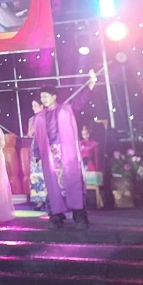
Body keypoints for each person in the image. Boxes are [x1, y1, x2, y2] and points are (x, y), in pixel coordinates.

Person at [33, 69, 98, 229]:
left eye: (46, 96)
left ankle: (79, 216)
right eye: (42, 97)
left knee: (73, 183)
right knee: (53, 186)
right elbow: (37, 137)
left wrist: (91, 83)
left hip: (66, 154)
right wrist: (36, 153)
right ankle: (56, 216)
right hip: (50, 155)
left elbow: (80, 100)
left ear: (54, 96)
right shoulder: (40, 117)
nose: (44, 99)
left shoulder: (66, 109)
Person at [26, 100, 48, 211]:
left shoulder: (48, 117)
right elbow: (29, 133)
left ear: (41, 106)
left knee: (48, 175)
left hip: (46, 147)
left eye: (35, 105)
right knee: (36, 175)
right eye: (32, 105)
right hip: (35, 148)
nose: (33, 108)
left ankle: (50, 199)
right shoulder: (32, 119)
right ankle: (39, 200)